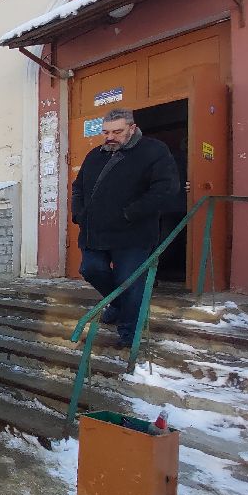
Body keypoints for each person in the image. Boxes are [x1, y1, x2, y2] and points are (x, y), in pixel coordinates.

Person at [71, 107, 180, 346]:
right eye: (106, 132)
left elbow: (165, 189)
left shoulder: (154, 151)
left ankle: (129, 334)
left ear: (132, 128)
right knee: (91, 269)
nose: (110, 137)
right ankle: (118, 304)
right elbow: (77, 187)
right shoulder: (95, 155)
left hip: (133, 233)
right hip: (94, 232)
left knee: (130, 281)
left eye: (117, 132)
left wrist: (130, 213)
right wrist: (79, 213)